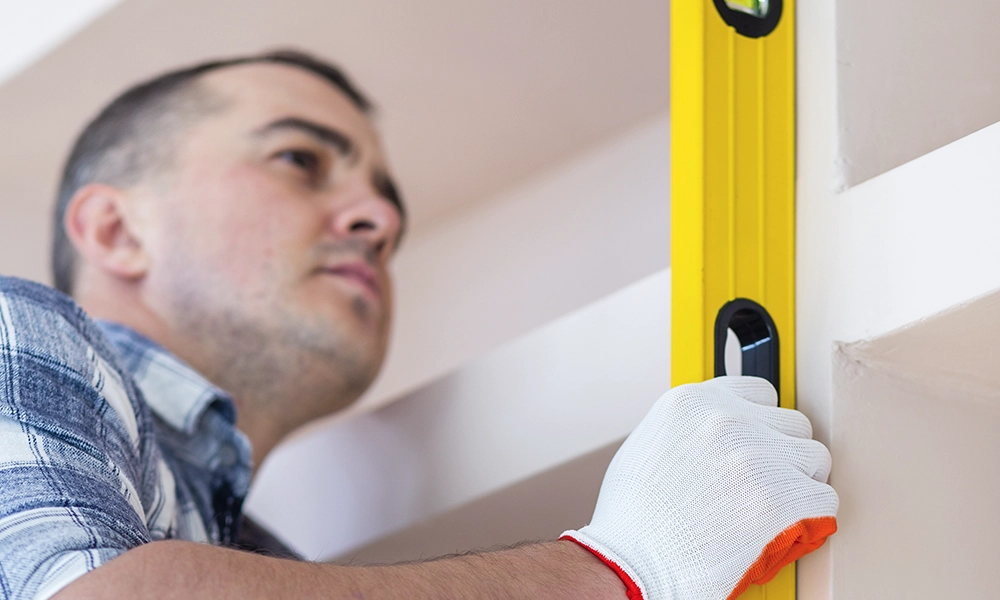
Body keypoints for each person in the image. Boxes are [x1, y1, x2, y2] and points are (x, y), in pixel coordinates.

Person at [0, 50, 838, 600]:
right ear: (116, 230)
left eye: (385, 202)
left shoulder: (262, 560)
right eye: (300, 159)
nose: (381, 220)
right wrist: (616, 567)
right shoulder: (13, 329)